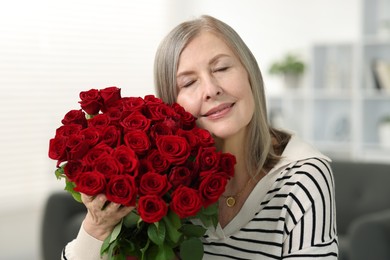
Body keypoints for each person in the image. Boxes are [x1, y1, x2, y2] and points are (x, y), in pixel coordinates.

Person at [61, 15, 338, 259]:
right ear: (172, 102)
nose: (210, 89)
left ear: (250, 73)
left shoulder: (305, 176)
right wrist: (97, 226)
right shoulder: (161, 180)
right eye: (189, 82)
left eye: (221, 68)